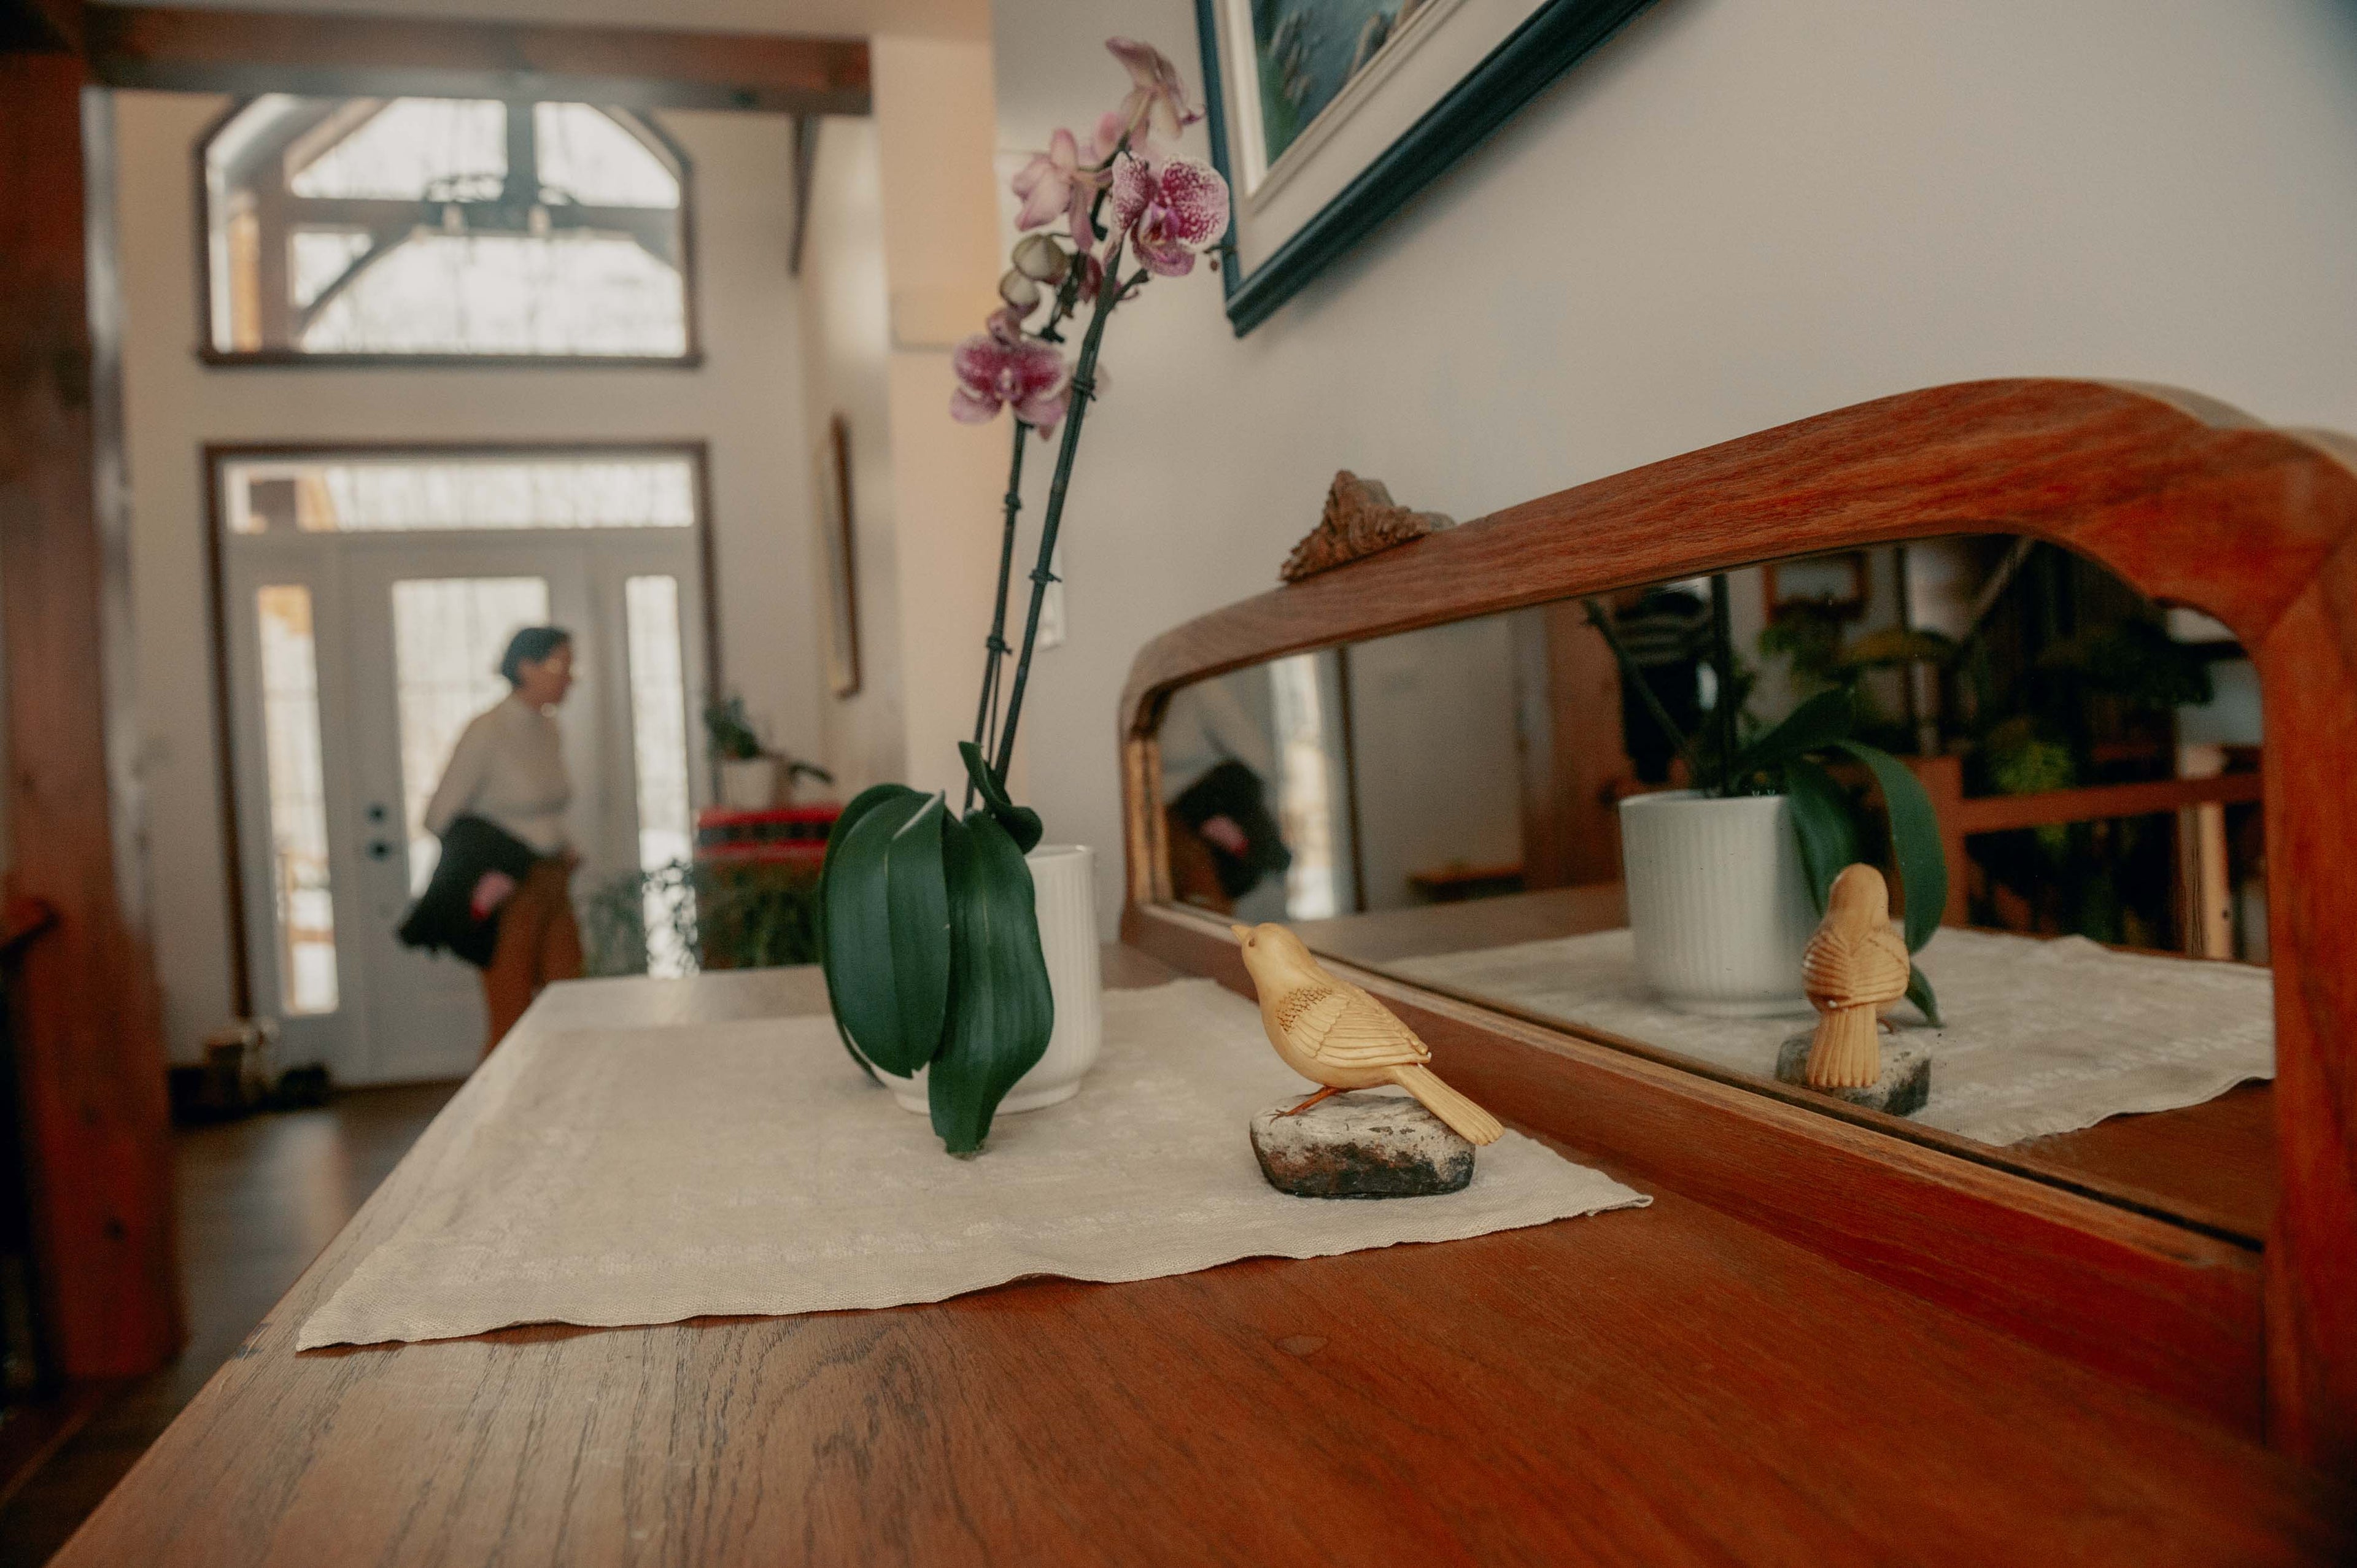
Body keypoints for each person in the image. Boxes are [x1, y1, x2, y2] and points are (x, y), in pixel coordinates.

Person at [421, 626, 584, 1052]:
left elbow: (543, 807)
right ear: (526, 667)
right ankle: (495, 1117)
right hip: (510, 891)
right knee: (511, 1022)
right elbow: (439, 817)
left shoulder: (548, 729)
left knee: (570, 1007)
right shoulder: (487, 730)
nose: (570, 676)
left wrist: (562, 847)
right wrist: (500, 860)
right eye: (560, 665)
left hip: (553, 881)